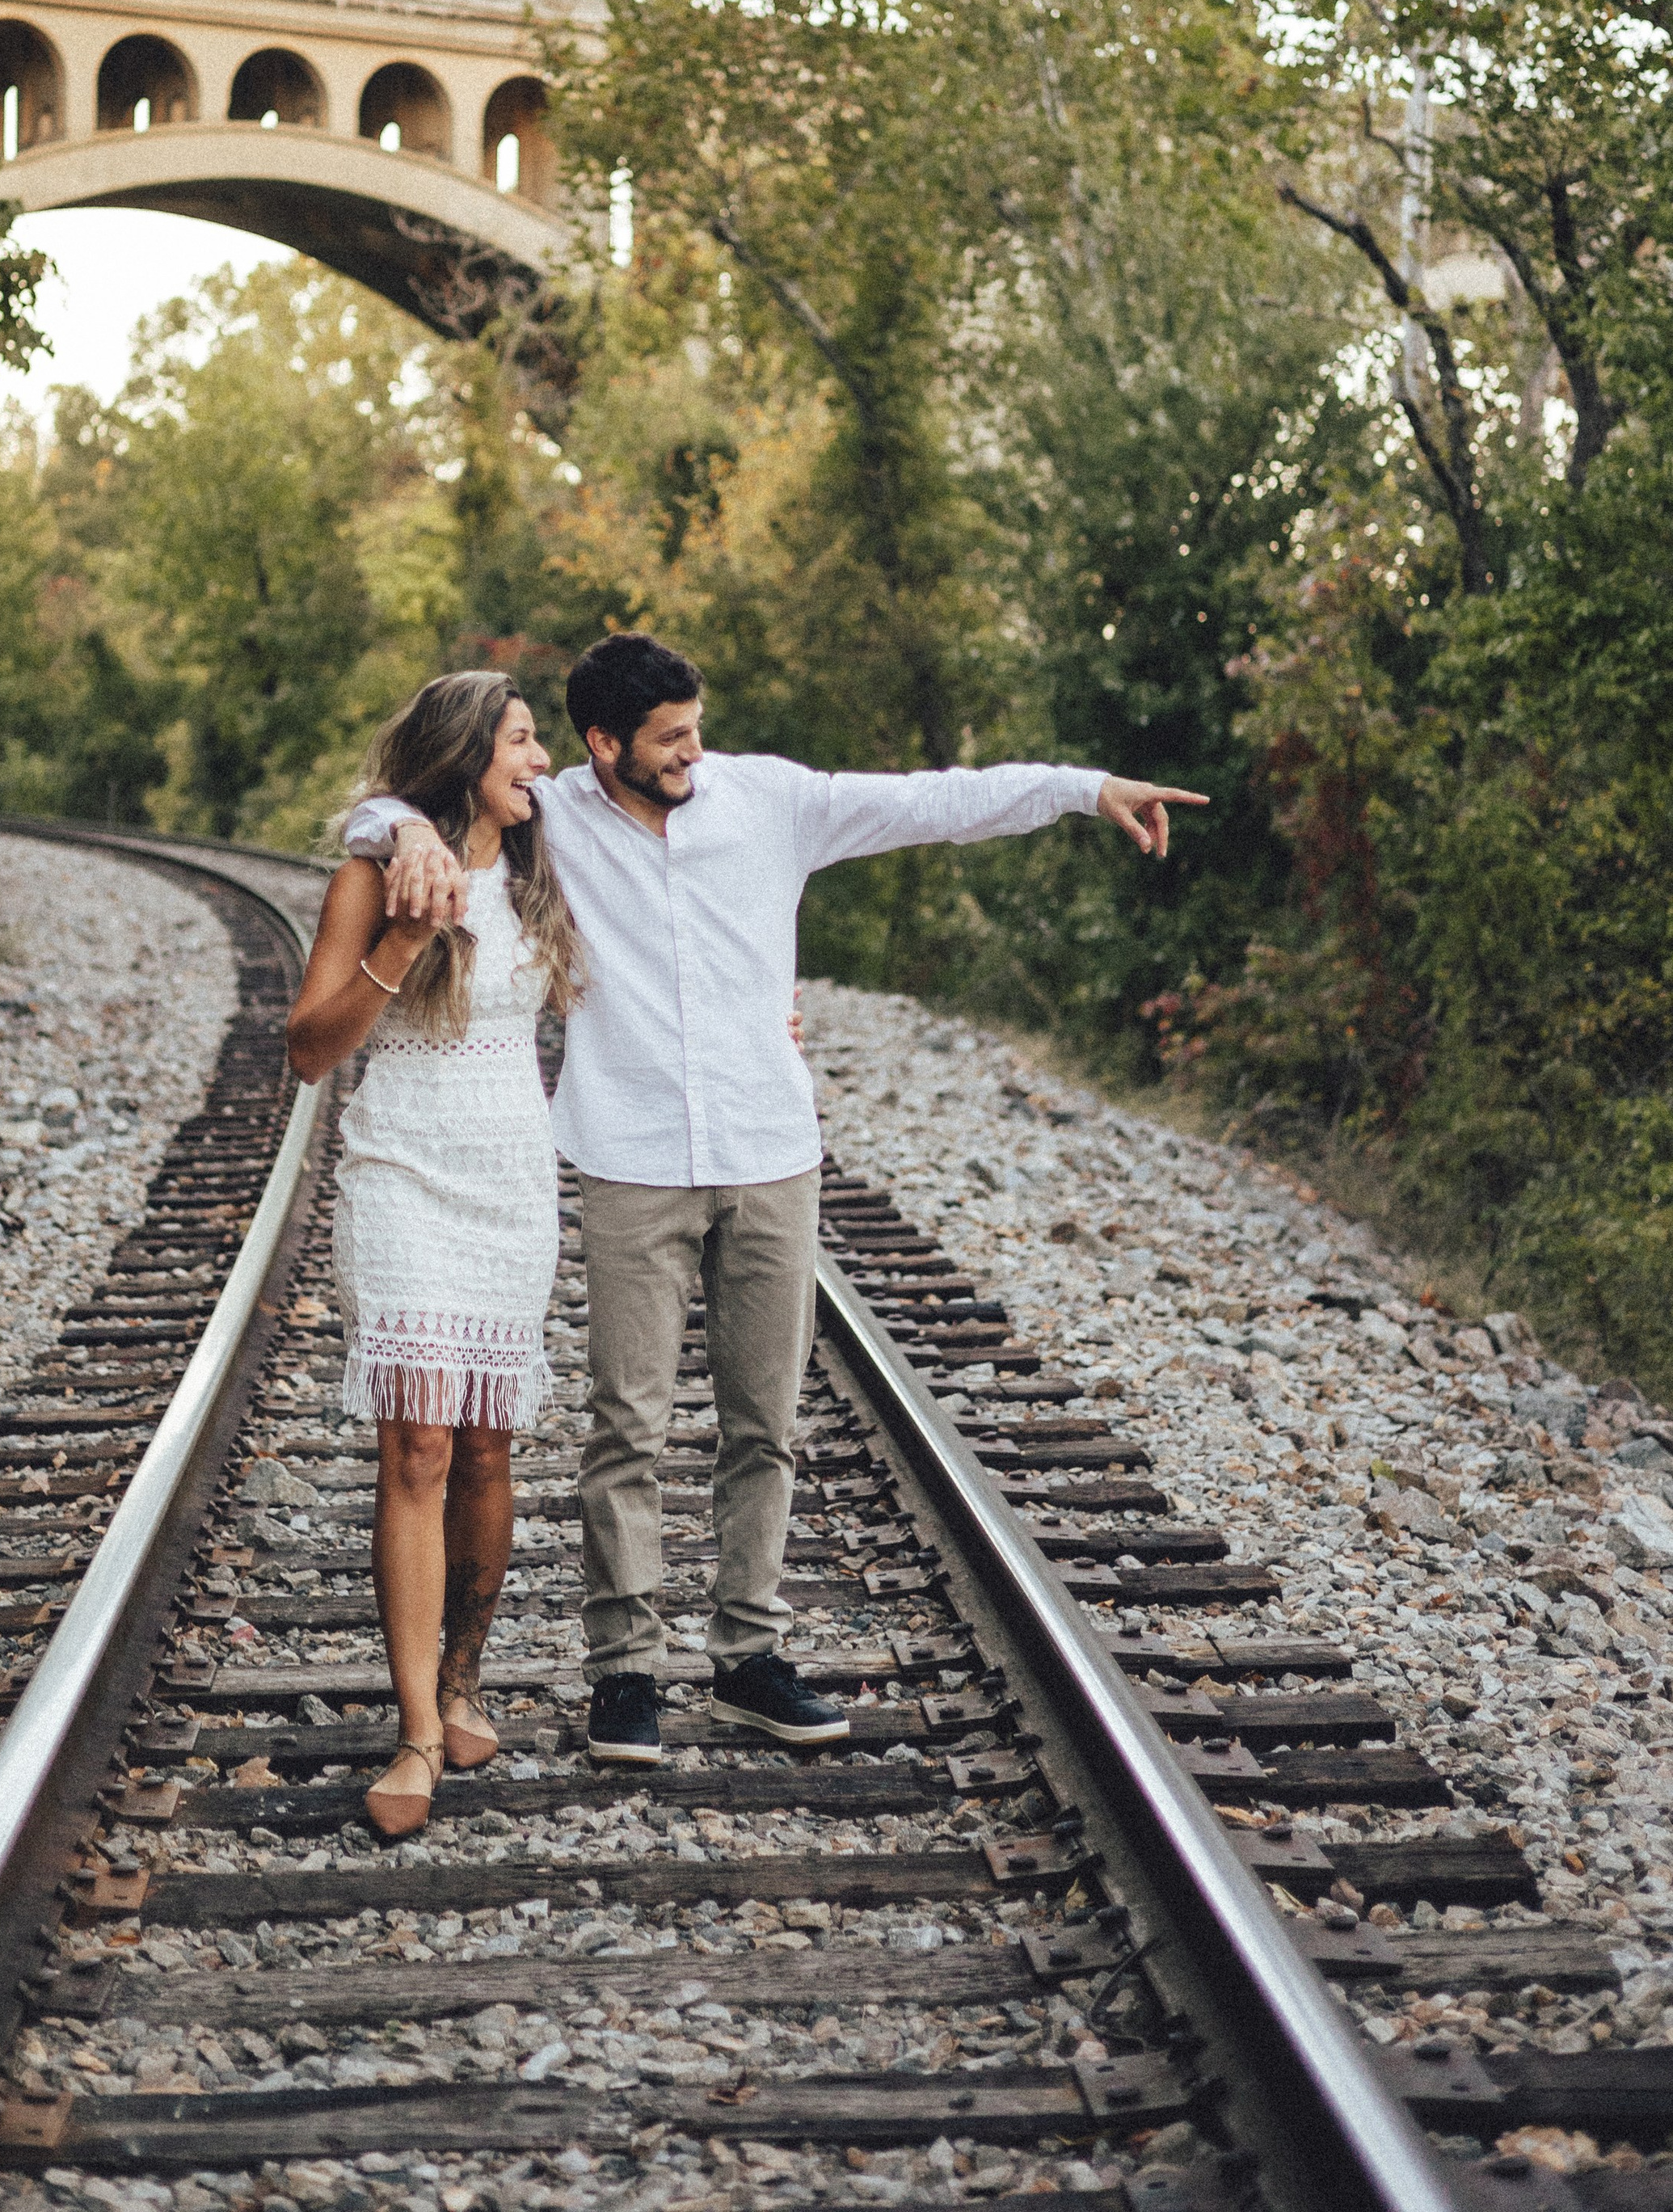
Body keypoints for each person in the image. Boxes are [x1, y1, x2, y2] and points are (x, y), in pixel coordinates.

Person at [348, 632, 1208, 1772]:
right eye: (669, 737)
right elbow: (406, 801)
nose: (694, 751)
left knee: (765, 1423)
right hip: (630, 1158)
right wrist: (403, 830)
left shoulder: (772, 802)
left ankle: (749, 1653)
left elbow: (935, 802)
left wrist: (1085, 789)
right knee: (627, 1426)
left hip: (770, 1151)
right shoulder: (554, 815)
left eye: (696, 727)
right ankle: (625, 1671)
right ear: (604, 744)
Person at [284, 669, 582, 1840]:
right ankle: (416, 1730)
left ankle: (465, 1675)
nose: (542, 760)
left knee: (487, 1447)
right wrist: (406, 937)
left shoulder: (551, 865)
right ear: (467, 758)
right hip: (402, 1167)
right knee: (417, 1442)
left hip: (511, 1180)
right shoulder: (375, 880)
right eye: (522, 740)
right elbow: (310, 1049)